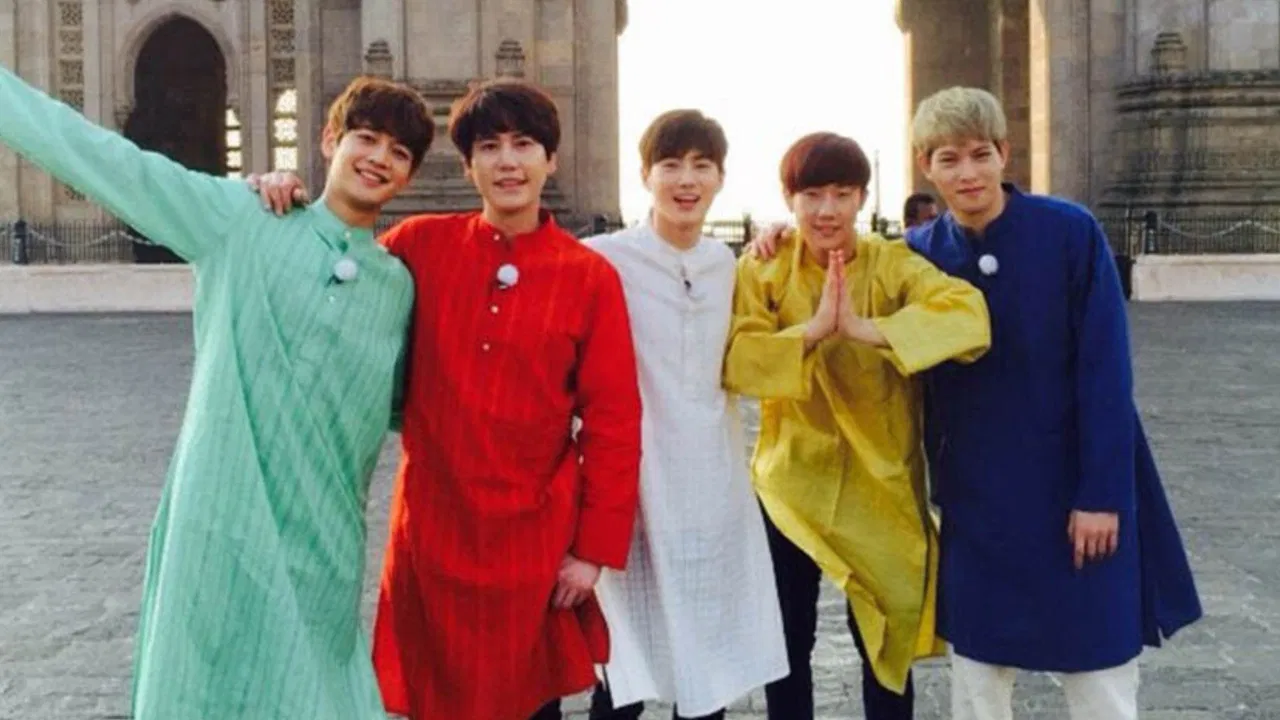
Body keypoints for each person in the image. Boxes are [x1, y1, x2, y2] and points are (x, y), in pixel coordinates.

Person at [0, 64, 435, 718]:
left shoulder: (395, 287)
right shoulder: (240, 221)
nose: (378, 158)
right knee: (205, 685)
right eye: (366, 138)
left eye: (399, 152)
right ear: (328, 140)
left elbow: (420, 406)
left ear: (410, 174)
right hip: (221, 519)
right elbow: (109, 162)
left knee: (316, 692)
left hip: (324, 544)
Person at [250, 77, 645, 720]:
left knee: (528, 701)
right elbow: (335, 268)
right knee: (431, 699)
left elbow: (614, 422)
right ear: (467, 165)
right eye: (489, 147)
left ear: (551, 160)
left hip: (534, 543)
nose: (508, 162)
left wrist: (592, 551)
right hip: (431, 540)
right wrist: (275, 199)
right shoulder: (419, 246)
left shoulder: (589, 277)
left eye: (524, 145)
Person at [901, 85, 1202, 720]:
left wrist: (1101, 495)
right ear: (926, 165)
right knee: (978, 677)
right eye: (949, 158)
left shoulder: (1070, 232)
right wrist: (774, 246)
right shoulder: (918, 255)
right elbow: (836, 277)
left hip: (1074, 492)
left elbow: (1105, 372)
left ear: (1004, 154)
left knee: (1097, 673)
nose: (968, 172)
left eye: (980, 154)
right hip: (978, 502)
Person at [723, 131, 991, 720]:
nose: (827, 210)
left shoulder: (892, 264)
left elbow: (969, 315)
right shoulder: (764, 268)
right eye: (812, 195)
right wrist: (812, 332)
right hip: (792, 482)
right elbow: (739, 360)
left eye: (842, 194)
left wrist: (871, 330)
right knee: (787, 637)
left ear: (862, 199)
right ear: (789, 199)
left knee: (887, 638)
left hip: (880, 482)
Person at [579, 109, 789, 720]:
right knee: (623, 667)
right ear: (645, 175)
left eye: (702, 165)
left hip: (711, 486)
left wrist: (784, 236)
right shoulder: (602, 259)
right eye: (670, 164)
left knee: (707, 662)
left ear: (721, 176)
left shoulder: (729, 264)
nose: (686, 179)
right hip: (633, 485)